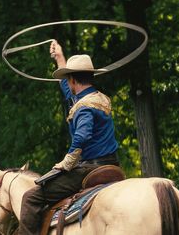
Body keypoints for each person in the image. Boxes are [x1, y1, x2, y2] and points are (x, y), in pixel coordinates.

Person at [18, 41, 119, 235]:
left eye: (69, 78)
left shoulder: (83, 107)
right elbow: (69, 93)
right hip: (112, 165)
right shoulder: (99, 98)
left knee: (31, 198)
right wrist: (60, 58)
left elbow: (82, 136)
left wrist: (67, 162)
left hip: (89, 168)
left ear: (73, 79)